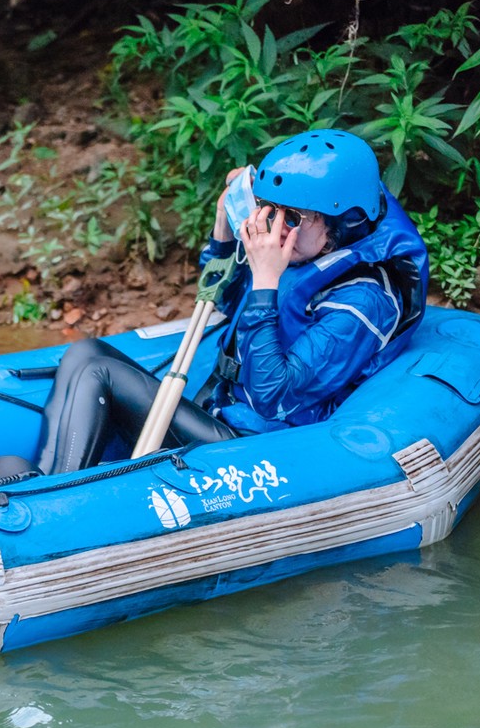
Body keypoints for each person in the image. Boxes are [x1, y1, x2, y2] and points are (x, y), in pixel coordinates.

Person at [35, 128, 429, 474]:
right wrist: (223, 232)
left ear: (344, 222)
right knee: (85, 351)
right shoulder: (305, 249)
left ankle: (54, 497)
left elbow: (274, 396)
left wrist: (265, 281)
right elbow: (222, 299)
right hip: (222, 409)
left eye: (292, 216)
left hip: (258, 445)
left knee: (100, 373)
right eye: (269, 209)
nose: (273, 224)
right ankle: (45, 478)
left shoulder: (362, 301)